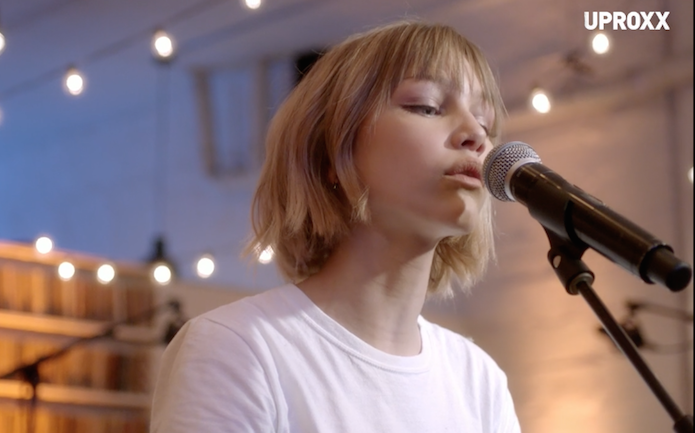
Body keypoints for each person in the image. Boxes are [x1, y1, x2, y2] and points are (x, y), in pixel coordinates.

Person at [151, 20, 521, 432]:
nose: (475, 135)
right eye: (426, 106)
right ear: (331, 152)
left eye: (485, 122)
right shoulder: (238, 347)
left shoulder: (478, 383)